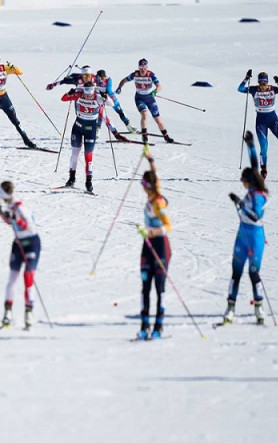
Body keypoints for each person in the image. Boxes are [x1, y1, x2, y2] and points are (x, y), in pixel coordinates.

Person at [223, 144, 269, 325]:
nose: (242, 183)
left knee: (253, 273)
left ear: (249, 181)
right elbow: (254, 165)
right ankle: (230, 308)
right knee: (236, 272)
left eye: (243, 180)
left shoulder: (260, 195)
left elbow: (256, 215)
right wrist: (250, 145)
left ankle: (259, 308)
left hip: (255, 235)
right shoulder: (251, 190)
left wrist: (240, 204)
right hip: (242, 234)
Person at [0, 181, 41, 330]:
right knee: (12, 279)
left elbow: (28, 225)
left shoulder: (19, 206)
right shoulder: (11, 206)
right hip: (18, 243)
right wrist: (1, 213)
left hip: (31, 243)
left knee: (27, 279)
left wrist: (14, 218)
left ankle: (29, 314)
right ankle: (7, 315)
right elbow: (11, 222)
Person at [238, 70, 278, 178]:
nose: (263, 86)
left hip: (273, 120)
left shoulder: (273, 89)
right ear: (258, 83)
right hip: (261, 122)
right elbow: (240, 89)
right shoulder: (254, 89)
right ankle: (263, 170)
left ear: (267, 82)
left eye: (264, 83)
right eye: (261, 84)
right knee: (264, 147)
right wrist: (246, 78)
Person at [136, 149, 171, 339]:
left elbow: (167, 227)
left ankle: (158, 326)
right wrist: (150, 159)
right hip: (147, 246)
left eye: (143, 184)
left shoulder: (158, 203)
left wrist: (149, 232)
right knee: (145, 286)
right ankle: (144, 325)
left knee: (159, 287)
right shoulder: (152, 195)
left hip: (160, 245)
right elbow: (156, 178)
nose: (142, 187)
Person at [116, 58, 175, 144]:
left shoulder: (151, 75)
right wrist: (119, 88)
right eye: (141, 66)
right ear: (139, 67)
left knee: (158, 119)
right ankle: (144, 136)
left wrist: (155, 91)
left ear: (147, 67)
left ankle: (166, 137)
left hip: (150, 98)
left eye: (145, 66)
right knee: (144, 115)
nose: (143, 69)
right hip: (139, 99)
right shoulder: (135, 74)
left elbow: (159, 86)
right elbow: (123, 80)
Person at [60, 83, 104, 192]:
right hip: (78, 128)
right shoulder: (78, 95)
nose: (88, 96)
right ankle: (71, 178)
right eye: (86, 94)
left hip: (91, 129)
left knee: (88, 157)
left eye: (90, 94)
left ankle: (88, 182)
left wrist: (106, 97)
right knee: (74, 154)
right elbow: (63, 99)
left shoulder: (97, 98)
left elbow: (111, 103)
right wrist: (69, 93)